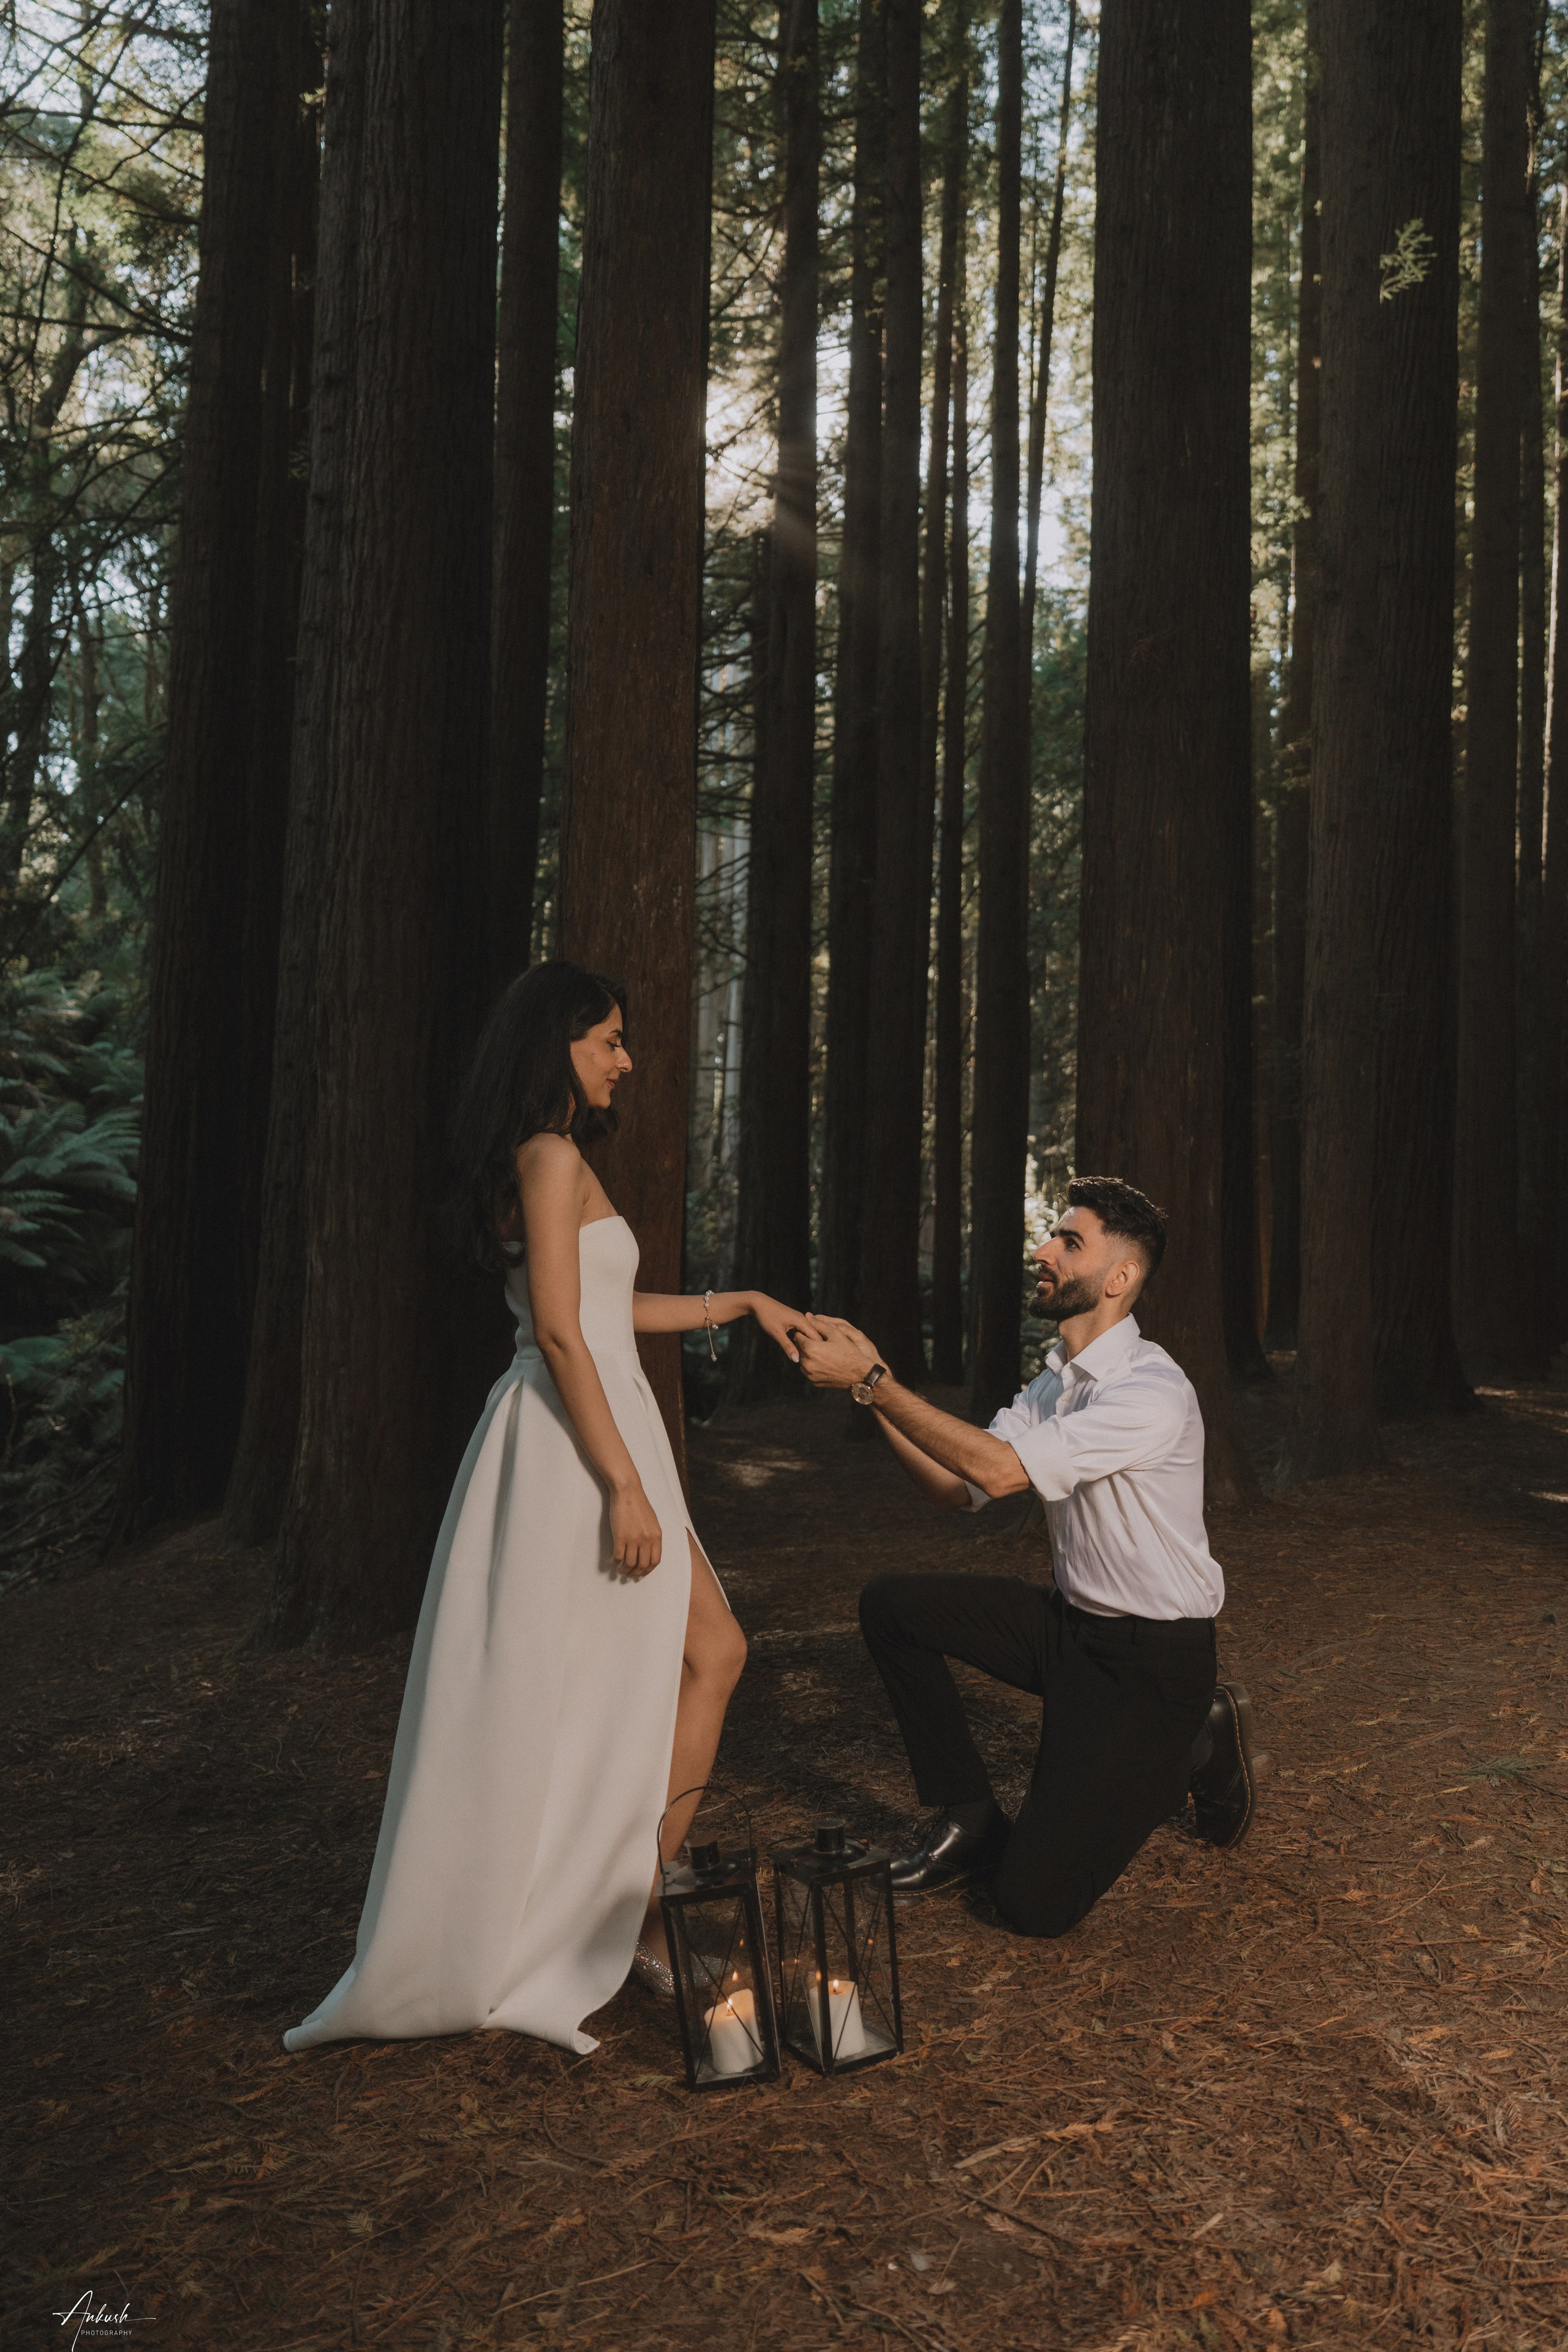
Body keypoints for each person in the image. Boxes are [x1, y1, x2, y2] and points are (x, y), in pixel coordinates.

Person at [283, 962, 805, 2057]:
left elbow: (607, 1309)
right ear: (555, 1044)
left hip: (599, 1424)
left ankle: (627, 1901)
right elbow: (563, 1334)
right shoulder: (549, 1155)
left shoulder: (552, 1156)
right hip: (575, 1444)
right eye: (608, 1038)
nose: (627, 1059)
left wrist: (743, 1302)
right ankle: (620, 1911)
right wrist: (622, 1484)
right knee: (676, 1658)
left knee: (698, 1655)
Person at [793, 1175, 1256, 1940]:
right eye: (1052, 1236)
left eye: (1069, 1241)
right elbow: (955, 1488)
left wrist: (874, 1382)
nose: (1043, 1250)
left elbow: (1001, 1471)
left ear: (1120, 1277)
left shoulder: (1150, 1391)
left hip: (1151, 1664)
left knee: (1033, 1906)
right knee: (893, 1606)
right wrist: (870, 1389)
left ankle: (1196, 1740)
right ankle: (970, 1819)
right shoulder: (1054, 1384)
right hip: (1071, 1629)